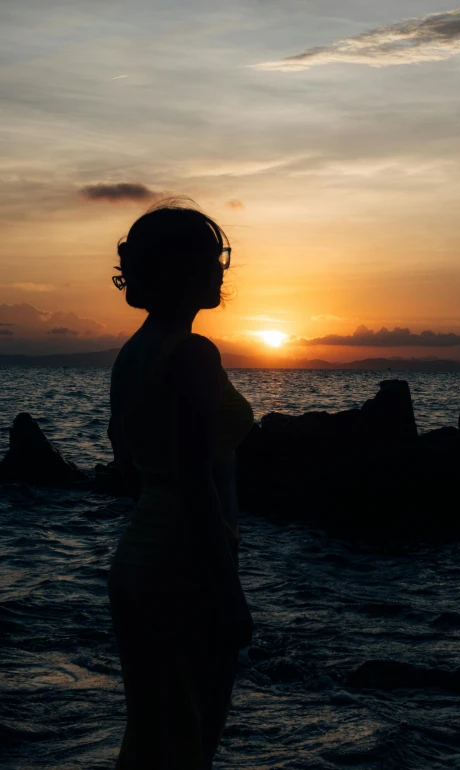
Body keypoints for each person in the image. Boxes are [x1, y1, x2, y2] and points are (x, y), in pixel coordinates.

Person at [107, 198, 255, 769]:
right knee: (190, 742)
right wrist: (228, 590)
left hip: (139, 563)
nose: (223, 269)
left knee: (151, 734)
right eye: (216, 257)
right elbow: (197, 480)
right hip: (185, 565)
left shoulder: (132, 354)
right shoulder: (194, 353)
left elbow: (129, 467)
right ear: (184, 268)